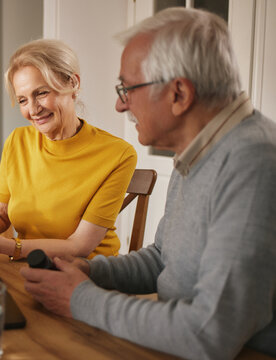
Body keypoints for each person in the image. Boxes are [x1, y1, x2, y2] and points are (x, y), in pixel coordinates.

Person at [20, 7, 276, 359]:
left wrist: (79, 299)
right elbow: (162, 259)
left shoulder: (254, 163)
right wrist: (91, 272)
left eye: (127, 88)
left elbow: (209, 333)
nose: (119, 104)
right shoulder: (200, 150)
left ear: (179, 94)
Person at [0, 39, 137, 259]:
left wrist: (1, 245)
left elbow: (79, 247)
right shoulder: (17, 141)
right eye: (22, 100)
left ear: (73, 83)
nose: (33, 109)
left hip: (87, 273)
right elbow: (0, 213)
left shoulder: (118, 154)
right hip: (29, 267)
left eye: (41, 93)